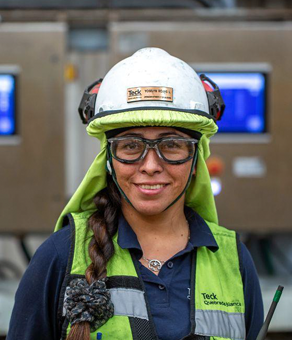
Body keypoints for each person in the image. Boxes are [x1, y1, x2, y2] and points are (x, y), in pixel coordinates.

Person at [7, 48, 263, 340]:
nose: (151, 166)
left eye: (171, 145)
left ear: (195, 161)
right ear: (109, 160)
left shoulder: (234, 262)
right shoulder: (59, 257)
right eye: (130, 146)